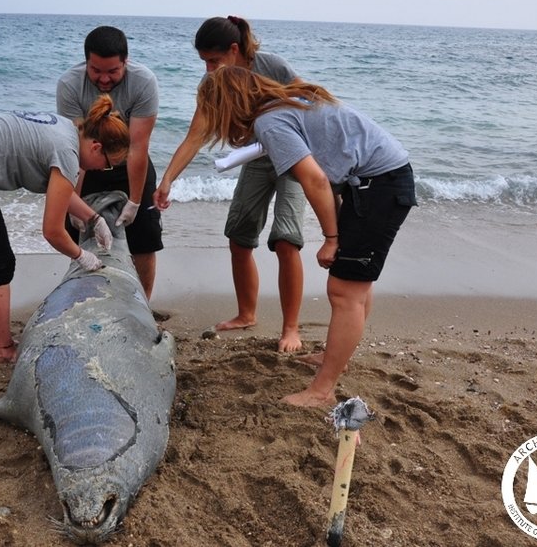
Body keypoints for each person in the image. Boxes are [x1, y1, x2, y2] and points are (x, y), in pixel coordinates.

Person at [154, 66, 416, 408]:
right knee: (354, 285)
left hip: (379, 185)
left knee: (344, 290)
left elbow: (315, 180)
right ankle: (336, 356)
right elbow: (331, 169)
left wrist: (332, 237)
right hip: (376, 181)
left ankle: (322, 390)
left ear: (228, 106)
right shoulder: (289, 103)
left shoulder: (270, 122)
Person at [0, 96, 130, 363]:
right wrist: (82, 257)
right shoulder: (67, 153)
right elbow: (53, 231)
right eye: (107, 163)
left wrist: (94, 219)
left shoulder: (67, 131)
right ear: (96, 146)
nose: (104, 170)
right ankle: (3, 348)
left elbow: (62, 194)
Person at [157, 15, 307, 352]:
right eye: (204, 62)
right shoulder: (214, 83)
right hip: (255, 158)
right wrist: (167, 179)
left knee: (286, 240)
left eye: (214, 60)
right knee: (239, 237)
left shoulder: (272, 66)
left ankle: (292, 329)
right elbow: (196, 135)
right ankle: (246, 314)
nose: (209, 70)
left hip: (294, 157)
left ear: (235, 49)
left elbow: (308, 101)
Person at [57, 26, 163, 300]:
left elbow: (138, 148)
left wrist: (136, 200)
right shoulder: (70, 84)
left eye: (112, 71)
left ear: (125, 62)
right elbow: (75, 150)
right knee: (79, 234)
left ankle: (142, 304)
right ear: (86, 62)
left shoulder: (143, 82)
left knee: (144, 238)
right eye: (96, 70)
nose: (104, 78)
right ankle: (84, 296)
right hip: (87, 165)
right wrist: (73, 202)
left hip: (130, 164)